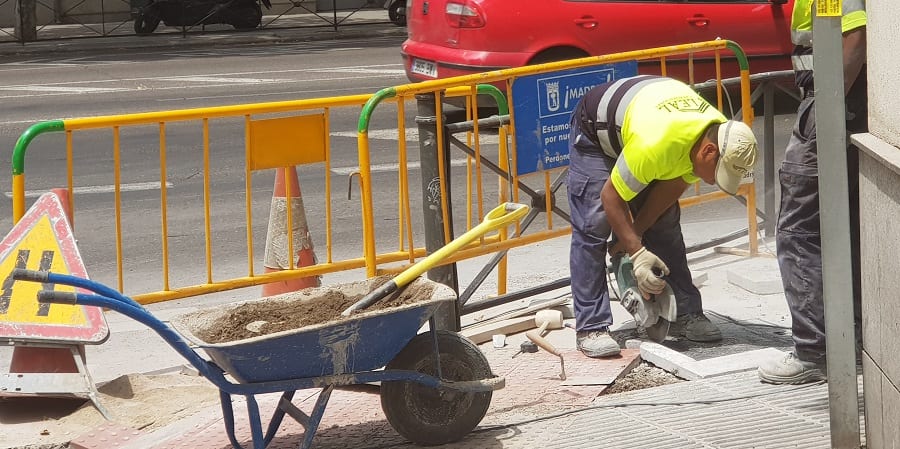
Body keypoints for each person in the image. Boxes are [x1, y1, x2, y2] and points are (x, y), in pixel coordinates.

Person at [566, 75, 759, 358]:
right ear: (708, 151)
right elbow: (611, 196)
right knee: (593, 225)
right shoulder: (656, 144)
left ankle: (686, 312)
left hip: (644, 123)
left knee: (665, 225)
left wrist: (635, 237)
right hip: (597, 131)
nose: (711, 182)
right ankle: (591, 327)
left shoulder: (716, 131)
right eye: (718, 173)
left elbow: (673, 186)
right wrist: (637, 251)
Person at [757, 0, 867, 384]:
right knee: (846, 227)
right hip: (841, 109)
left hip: (833, 109)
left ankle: (814, 350)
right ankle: (850, 338)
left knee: (798, 233)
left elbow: (855, 37)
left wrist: (825, 111)